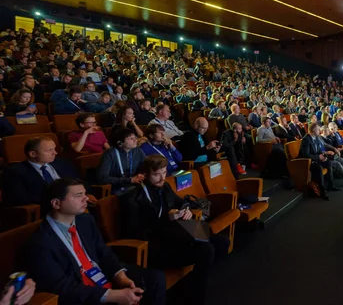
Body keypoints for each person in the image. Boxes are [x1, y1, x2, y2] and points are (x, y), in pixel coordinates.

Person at [26, 178, 166, 305]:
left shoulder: (85, 220)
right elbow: (63, 287)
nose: (86, 199)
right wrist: (113, 295)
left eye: (84, 193)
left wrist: (120, 277)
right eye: (79, 195)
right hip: (80, 290)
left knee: (154, 279)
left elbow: (103, 252)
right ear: (56, 203)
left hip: (101, 274)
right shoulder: (40, 242)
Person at [121, 156, 213, 305]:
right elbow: (138, 234)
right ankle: (195, 297)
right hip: (155, 247)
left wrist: (185, 210)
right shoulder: (132, 199)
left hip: (172, 235)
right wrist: (167, 218)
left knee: (214, 238)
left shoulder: (164, 186)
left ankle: (191, 287)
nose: (162, 177)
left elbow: (181, 202)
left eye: (164, 172)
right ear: (144, 175)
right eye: (156, 174)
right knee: (206, 250)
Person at [0, 137, 80, 207]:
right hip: (48, 209)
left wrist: (87, 193)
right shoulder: (14, 172)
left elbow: (78, 180)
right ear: (33, 154)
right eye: (50, 150)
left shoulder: (62, 163)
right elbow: (18, 199)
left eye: (54, 149)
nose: (55, 153)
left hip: (76, 203)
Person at [96, 128, 146, 194]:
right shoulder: (109, 154)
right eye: (131, 138)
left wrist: (143, 174)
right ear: (120, 143)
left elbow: (146, 165)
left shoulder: (137, 150)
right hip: (117, 187)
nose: (135, 140)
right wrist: (129, 180)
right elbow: (103, 178)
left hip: (135, 184)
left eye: (135, 137)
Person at [299, 123, 340, 201]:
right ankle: (322, 191)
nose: (319, 131)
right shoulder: (306, 139)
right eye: (318, 129)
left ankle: (331, 185)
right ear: (313, 130)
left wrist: (324, 155)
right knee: (319, 168)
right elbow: (306, 155)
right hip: (307, 162)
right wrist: (318, 157)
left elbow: (318, 150)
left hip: (316, 159)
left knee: (328, 162)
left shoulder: (316, 138)